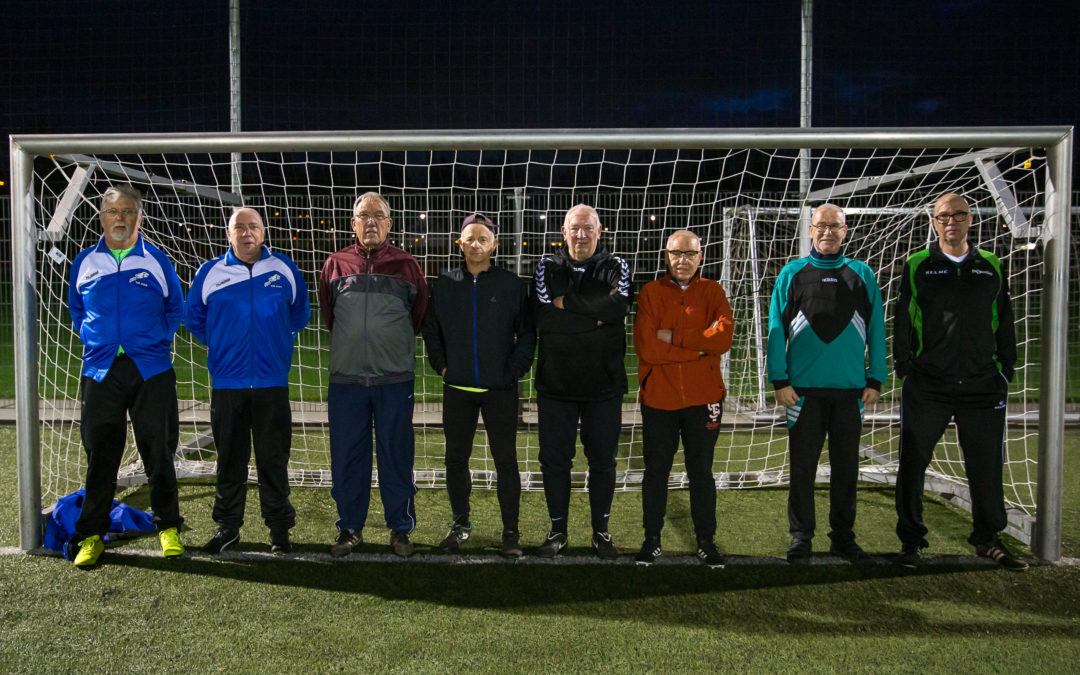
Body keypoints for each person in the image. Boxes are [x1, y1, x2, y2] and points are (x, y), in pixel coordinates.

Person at [893, 192, 1027, 570]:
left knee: (985, 465)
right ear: (933, 222)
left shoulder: (991, 265)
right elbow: (902, 318)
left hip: (982, 384)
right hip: (929, 384)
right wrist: (906, 365)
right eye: (943, 216)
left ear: (971, 219)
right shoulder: (918, 264)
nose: (951, 221)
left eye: (959, 214)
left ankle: (988, 540)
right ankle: (911, 542)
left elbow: (1004, 318)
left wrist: (1005, 369)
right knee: (913, 463)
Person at [67, 184, 185, 567]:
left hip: (151, 370)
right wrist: (93, 337)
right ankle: (91, 535)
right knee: (101, 455)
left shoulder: (156, 260)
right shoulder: (85, 262)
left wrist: (152, 341)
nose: (120, 218)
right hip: (101, 370)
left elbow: (174, 308)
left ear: (140, 216)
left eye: (128, 211)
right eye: (113, 211)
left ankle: (167, 526)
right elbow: (76, 309)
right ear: (102, 217)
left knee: (159, 451)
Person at [766, 203, 887, 563]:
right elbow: (775, 329)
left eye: (835, 226)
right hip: (803, 393)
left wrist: (876, 378)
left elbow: (878, 330)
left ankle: (843, 536)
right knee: (802, 469)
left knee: (846, 468)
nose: (828, 232)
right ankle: (801, 536)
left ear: (845, 231)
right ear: (810, 230)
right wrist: (779, 379)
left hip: (851, 392)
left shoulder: (862, 274)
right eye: (821, 226)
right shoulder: (792, 273)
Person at [186, 207, 310, 555]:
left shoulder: (283, 268)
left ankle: (279, 529)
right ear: (229, 234)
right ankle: (228, 527)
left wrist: (275, 345)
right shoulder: (211, 272)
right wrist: (224, 346)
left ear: (263, 232)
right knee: (229, 460)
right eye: (238, 227)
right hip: (228, 385)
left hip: (272, 384)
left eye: (253, 226)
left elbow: (299, 313)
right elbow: (194, 318)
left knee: (273, 460)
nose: (246, 233)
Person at [318, 191, 429, 557]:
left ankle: (400, 529)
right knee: (348, 456)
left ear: (389, 224)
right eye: (363, 216)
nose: (370, 222)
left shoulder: (408, 265)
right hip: (346, 380)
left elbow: (417, 317)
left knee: (397, 455)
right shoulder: (335, 264)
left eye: (377, 216)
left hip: (394, 380)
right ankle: (350, 528)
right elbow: (329, 316)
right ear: (353, 224)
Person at [421, 213, 536, 558]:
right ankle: (461, 524)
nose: (475, 244)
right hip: (458, 390)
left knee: (506, 461)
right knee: (455, 460)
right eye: (469, 238)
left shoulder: (512, 285)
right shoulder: (443, 284)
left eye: (482, 239)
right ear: (460, 243)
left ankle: (511, 532)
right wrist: (442, 367)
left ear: (494, 245)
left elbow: (528, 333)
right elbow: (431, 331)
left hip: (500, 390)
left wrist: (512, 371)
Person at [532, 204, 632, 559]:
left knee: (603, 461)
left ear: (600, 231)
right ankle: (557, 531)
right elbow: (544, 317)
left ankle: (600, 532)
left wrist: (568, 305)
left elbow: (618, 308)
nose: (581, 234)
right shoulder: (546, 267)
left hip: (603, 386)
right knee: (554, 462)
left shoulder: (615, 266)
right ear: (563, 231)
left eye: (588, 228)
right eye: (575, 228)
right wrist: (594, 317)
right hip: (555, 386)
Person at [632, 230, 734, 567]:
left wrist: (674, 339)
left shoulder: (713, 291)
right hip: (660, 399)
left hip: (703, 398)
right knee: (656, 471)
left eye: (690, 253)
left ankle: (707, 541)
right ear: (666, 256)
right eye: (676, 253)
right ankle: (652, 539)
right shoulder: (650, 293)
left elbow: (723, 338)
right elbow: (647, 347)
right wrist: (698, 350)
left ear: (701, 257)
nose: (683, 260)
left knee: (701, 472)